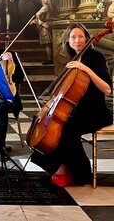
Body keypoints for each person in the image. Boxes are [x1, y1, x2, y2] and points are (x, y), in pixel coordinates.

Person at [31, 23, 112, 187]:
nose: (77, 40)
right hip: (77, 111)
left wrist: (85, 68)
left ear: (87, 38)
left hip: (96, 113)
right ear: (68, 40)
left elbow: (107, 88)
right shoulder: (73, 59)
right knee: (55, 130)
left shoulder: (96, 58)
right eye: (73, 37)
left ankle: (78, 173)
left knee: (66, 130)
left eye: (81, 36)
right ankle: (65, 169)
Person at [31, 0, 58, 65]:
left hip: (44, 28)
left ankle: (49, 59)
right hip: (46, 26)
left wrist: (39, 22)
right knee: (48, 44)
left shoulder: (45, 7)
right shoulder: (49, 7)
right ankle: (50, 59)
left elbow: (37, 15)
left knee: (47, 44)